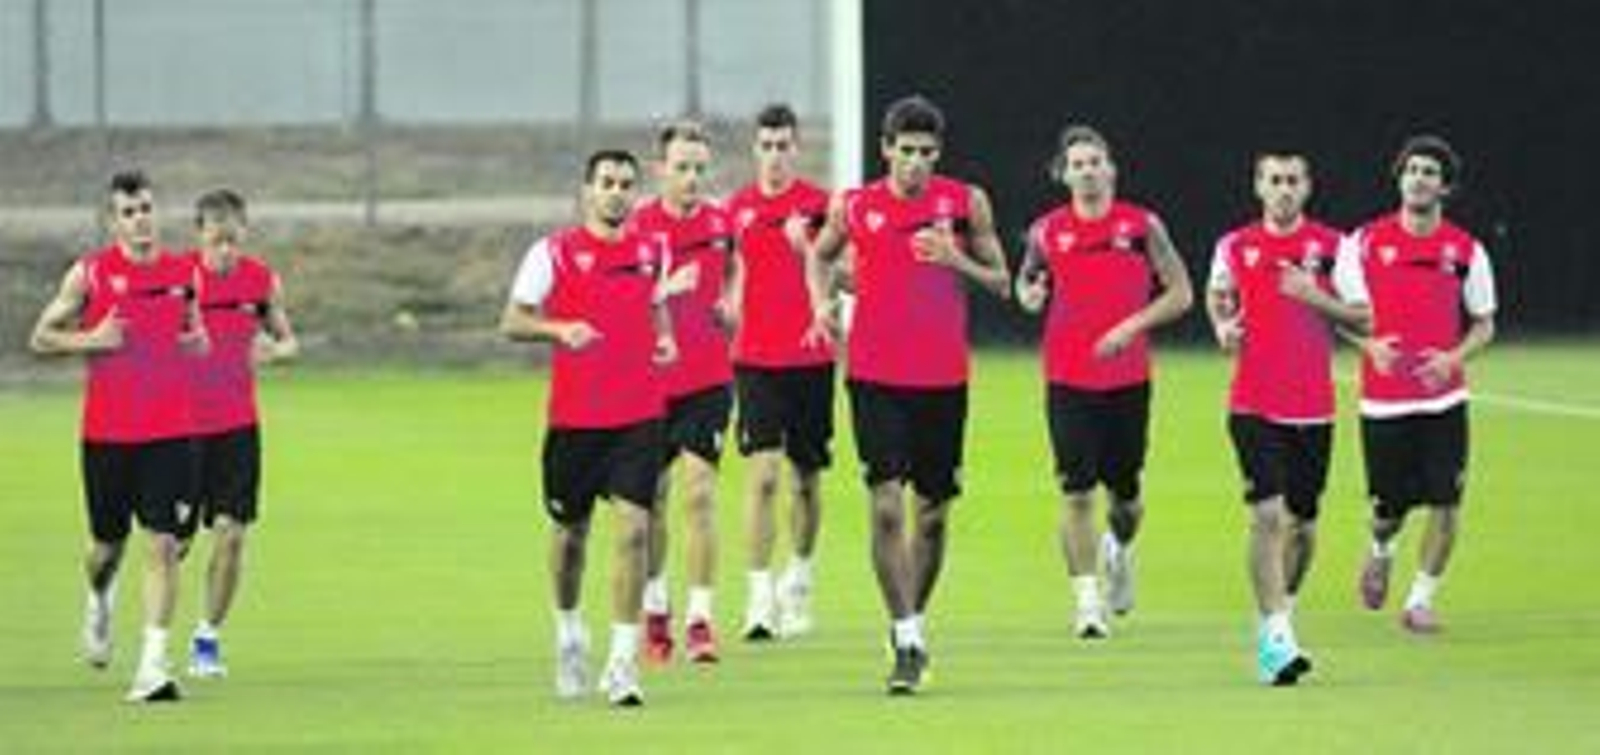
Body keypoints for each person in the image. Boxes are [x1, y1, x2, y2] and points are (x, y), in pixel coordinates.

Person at [802, 95, 1011, 694]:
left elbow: (1003, 283)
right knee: (887, 506)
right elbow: (819, 257)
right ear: (886, 149)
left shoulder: (965, 203)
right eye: (906, 151)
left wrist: (956, 259)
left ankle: (909, 619)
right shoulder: (857, 204)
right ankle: (909, 636)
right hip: (874, 376)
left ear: (937, 154)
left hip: (943, 380)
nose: (916, 162)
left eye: (927, 152)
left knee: (933, 515)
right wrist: (822, 304)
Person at [500, 149, 678, 707]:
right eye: (607, 183)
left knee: (633, 531)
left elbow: (655, 305)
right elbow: (512, 320)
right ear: (587, 191)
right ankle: (570, 628)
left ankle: (623, 663)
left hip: (639, 415)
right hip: (576, 422)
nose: (618, 193)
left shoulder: (653, 249)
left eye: (627, 184)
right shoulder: (552, 252)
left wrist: (666, 336)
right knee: (571, 538)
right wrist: (559, 329)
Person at [29, 169, 206, 702]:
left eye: (147, 207)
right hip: (107, 436)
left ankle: (153, 666)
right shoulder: (90, 274)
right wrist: (94, 337)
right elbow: (39, 337)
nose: (141, 218)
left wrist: (194, 343)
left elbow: (192, 333)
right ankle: (98, 597)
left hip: (171, 431)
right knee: (107, 546)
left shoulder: (183, 274)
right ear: (114, 222)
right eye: (129, 212)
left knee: (164, 544)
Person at [1016, 125, 1193, 640]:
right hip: (1068, 376)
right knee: (1075, 492)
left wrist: (1130, 327)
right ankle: (1087, 602)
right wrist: (1029, 295)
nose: (1088, 171)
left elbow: (1181, 293)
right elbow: (1030, 283)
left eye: (1096, 161)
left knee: (1126, 499)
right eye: (1078, 164)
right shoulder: (1046, 231)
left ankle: (1119, 548)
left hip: (1127, 377)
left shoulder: (1141, 226)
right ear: (1063, 173)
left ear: (1111, 169)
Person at [1332, 135, 1496, 634]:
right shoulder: (1361, 243)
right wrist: (1369, 347)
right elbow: (1337, 314)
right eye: (1412, 170)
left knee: (1447, 503)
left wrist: (1453, 357)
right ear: (1399, 179)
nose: (1419, 178)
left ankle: (1420, 600)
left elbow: (1484, 323)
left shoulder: (1465, 250)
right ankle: (1381, 549)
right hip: (1384, 403)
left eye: (1429, 172)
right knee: (1389, 510)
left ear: (1445, 187)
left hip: (1444, 401)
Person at [1206, 152, 1351, 685]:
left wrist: (1315, 296)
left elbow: (1364, 314)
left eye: (1293, 181)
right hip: (1252, 402)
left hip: (1314, 405)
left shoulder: (1337, 248)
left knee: (1303, 525)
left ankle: (1280, 612)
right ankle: (1275, 636)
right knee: (1266, 516)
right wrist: (1223, 327)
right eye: (1274, 180)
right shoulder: (1235, 245)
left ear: (1307, 187)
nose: (1284, 189)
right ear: (1258, 186)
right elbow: (1219, 296)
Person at [724, 103, 835, 641]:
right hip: (755, 358)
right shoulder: (738, 209)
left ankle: (800, 578)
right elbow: (737, 273)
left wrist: (807, 246)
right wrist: (728, 305)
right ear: (755, 149)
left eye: (782, 145)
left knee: (806, 480)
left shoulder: (819, 206)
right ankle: (759, 595)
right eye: (765, 145)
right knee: (762, 475)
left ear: (797, 148)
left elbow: (849, 271)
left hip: (811, 357)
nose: (774, 155)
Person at [628, 120, 737, 664]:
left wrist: (731, 302)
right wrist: (664, 290)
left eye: (699, 168)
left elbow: (734, 271)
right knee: (650, 503)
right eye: (682, 168)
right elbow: (615, 301)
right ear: (660, 170)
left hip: (710, 381)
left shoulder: (721, 223)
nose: (692, 178)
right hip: (648, 383)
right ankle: (655, 610)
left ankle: (699, 619)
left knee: (700, 495)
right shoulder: (638, 227)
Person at [180, 188, 298, 678]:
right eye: (217, 239)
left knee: (231, 536)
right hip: (180, 429)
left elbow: (289, 339)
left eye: (234, 240)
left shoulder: (260, 281)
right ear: (200, 234)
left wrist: (275, 351)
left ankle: (207, 638)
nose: (226, 250)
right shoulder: (178, 279)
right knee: (173, 544)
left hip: (237, 430)